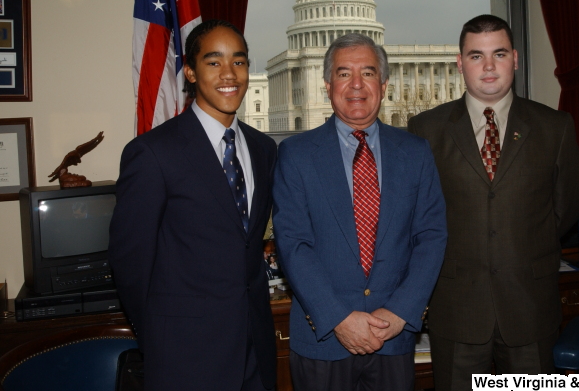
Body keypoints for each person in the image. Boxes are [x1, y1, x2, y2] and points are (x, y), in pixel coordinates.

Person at [407, 14, 579, 385]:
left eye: (499, 54)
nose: (488, 67)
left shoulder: (556, 127)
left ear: (515, 59)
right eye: (476, 56)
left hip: (530, 308)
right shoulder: (425, 130)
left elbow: (565, 209)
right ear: (460, 63)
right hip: (456, 310)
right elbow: (417, 217)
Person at [109, 20, 277, 391]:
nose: (229, 74)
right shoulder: (153, 153)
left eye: (239, 61)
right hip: (184, 355)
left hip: (255, 351)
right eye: (213, 62)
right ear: (190, 71)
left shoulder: (265, 150)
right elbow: (131, 263)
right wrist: (159, 335)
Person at [273, 33, 447, 391]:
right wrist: (338, 318)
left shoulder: (415, 152)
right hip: (322, 340)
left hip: (392, 338)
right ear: (327, 85)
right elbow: (293, 244)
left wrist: (400, 312)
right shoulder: (296, 154)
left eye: (367, 73)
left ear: (383, 84)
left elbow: (430, 237)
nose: (356, 85)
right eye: (343, 73)